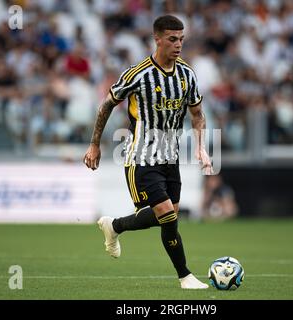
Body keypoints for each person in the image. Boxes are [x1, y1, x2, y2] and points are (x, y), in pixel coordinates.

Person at [83, 15, 213, 289]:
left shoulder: (186, 74)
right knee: (166, 213)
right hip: (140, 156)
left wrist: (201, 148)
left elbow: (197, 113)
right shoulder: (137, 74)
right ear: (157, 39)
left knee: (169, 218)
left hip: (171, 157)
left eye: (181, 39)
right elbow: (106, 105)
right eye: (172, 39)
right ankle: (185, 276)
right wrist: (95, 144)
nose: (178, 45)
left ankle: (114, 226)